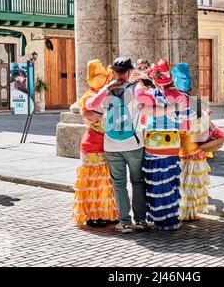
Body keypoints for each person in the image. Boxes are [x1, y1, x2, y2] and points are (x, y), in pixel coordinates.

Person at [83, 56, 147, 233]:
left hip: (111, 146)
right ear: (129, 72)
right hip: (134, 144)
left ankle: (125, 223)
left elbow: (89, 105)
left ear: (113, 72)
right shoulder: (135, 89)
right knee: (138, 182)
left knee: (119, 184)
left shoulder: (105, 93)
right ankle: (140, 220)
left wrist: (105, 88)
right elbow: (149, 100)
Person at [136, 59, 188, 230]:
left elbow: (143, 109)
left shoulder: (150, 94)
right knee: (170, 179)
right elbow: (185, 123)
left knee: (156, 180)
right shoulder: (181, 96)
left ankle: (160, 218)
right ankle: (170, 218)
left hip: (154, 143)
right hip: (172, 143)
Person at [72, 60, 119, 227]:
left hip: (106, 143)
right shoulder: (88, 97)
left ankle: (106, 213)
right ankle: (94, 214)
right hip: (92, 143)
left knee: (105, 180)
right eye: (97, 77)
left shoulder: (107, 95)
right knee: (94, 180)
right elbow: (90, 117)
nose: (102, 80)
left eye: (103, 76)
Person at [172, 63, 212, 221]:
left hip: (183, 148)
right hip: (193, 148)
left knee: (184, 181)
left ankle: (185, 211)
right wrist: (206, 117)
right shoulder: (192, 101)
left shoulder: (174, 101)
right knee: (191, 181)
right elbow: (197, 126)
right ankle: (188, 212)